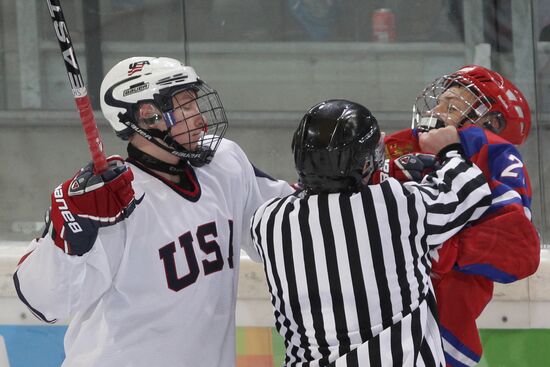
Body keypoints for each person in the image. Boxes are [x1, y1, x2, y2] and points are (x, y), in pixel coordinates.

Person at [13, 56, 293, 367]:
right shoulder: (106, 203)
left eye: (195, 103)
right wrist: (69, 232)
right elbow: (44, 303)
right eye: (185, 107)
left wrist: (334, 184)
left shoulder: (224, 163)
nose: (199, 117)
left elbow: (284, 228)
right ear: (147, 117)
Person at [250, 99, 493, 366]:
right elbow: (470, 191)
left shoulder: (268, 220)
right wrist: (450, 150)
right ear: (365, 165)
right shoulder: (394, 204)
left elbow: (326, 218)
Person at [380, 65, 540, 366]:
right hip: (376, 316)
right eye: (439, 101)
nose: (437, 110)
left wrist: (439, 247)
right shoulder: (401, 146)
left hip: (432, 323)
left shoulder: (497, 155)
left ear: (491, 122)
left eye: (452, 106)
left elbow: (517, 248)